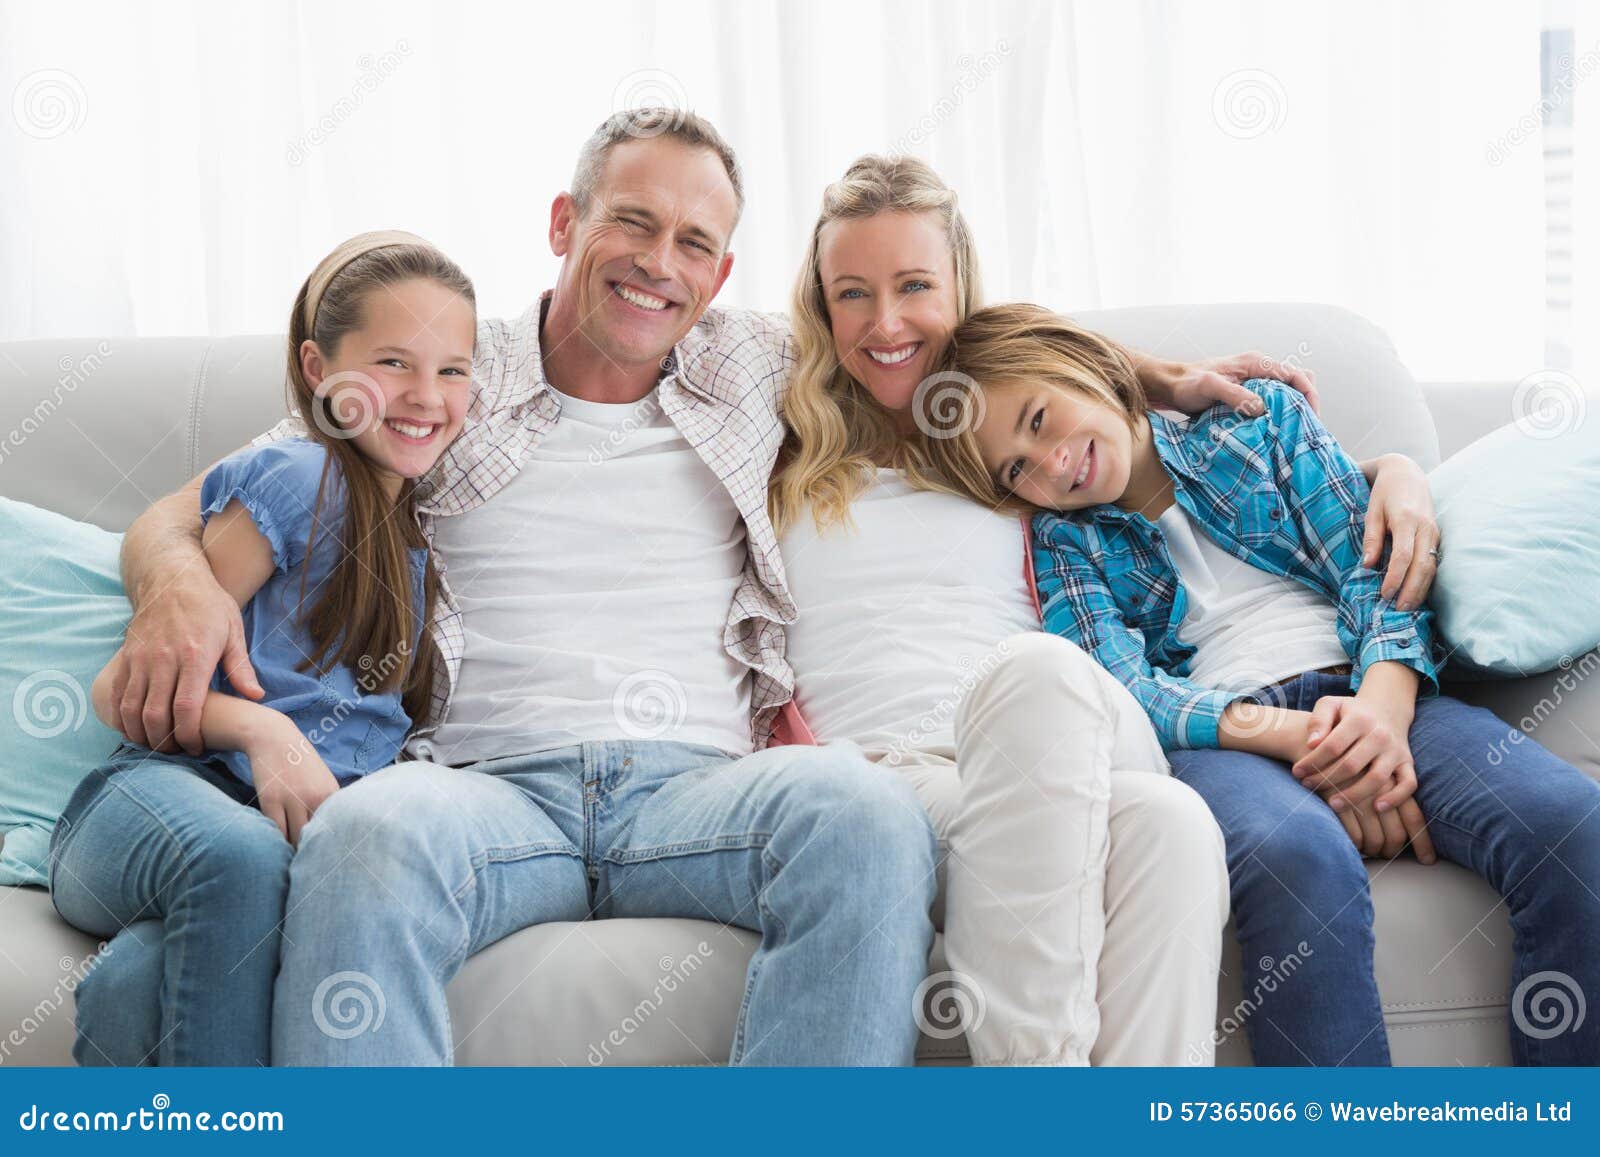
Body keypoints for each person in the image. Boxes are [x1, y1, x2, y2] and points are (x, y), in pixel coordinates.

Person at [99, 112, 941, 1066]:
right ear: (562, 224)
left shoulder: (758, 365)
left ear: (721, 273)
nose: (660, 263)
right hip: (482, 787)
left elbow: (968, 354)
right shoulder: (446, 368)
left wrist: (1139, 393)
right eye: (633, 221)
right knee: (365, 830)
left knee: (869, 813)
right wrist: (176, 578)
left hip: (699, 789)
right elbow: (189, 506)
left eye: (694, 243)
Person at [924, 302, 1600, 1065]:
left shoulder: (1260, 424)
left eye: (1041, 418)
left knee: (1573, 824)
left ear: (1090, 366)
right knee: (1296, 857)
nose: (1049, 462)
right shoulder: (1063, 538)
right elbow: (1129, 688)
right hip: (1226, 743)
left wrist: (1381, 706)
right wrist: (1290, 735)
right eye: (1017, 468)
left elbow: (1368, 566)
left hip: (1370, 685)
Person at [50, 231, 475, 1065]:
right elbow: (116, 690)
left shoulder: (412, 545)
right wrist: (262, 730)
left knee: (134, 985)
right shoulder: (299, 479)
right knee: (243, 857)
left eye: (452, 369)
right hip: (143, 805)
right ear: (319, 371)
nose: (426, 395)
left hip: (251, 864)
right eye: (393, 362)